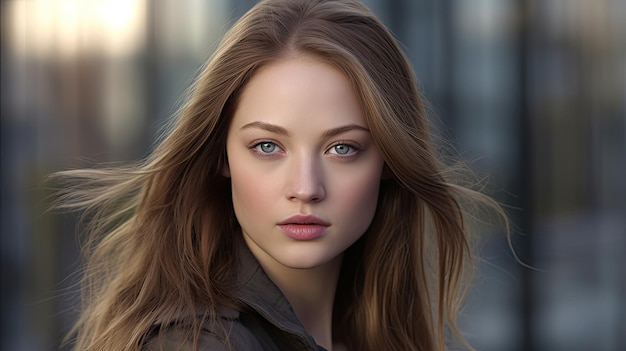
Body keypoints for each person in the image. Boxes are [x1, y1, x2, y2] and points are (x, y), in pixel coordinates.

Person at [52, 0, 507, 350]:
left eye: (342, 148)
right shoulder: (202, 345)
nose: (306, 188)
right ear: (220, 157)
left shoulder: (365, 332)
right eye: (267, 147)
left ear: (388, 161)